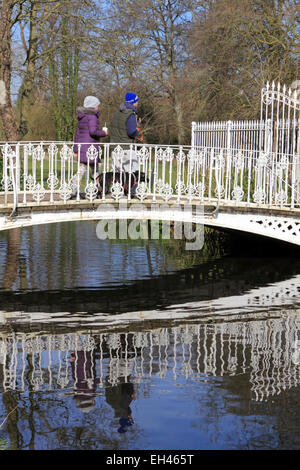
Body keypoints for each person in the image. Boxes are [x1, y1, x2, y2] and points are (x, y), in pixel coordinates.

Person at [71, 96, 108, 199]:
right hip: (90, 148)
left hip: (82, 147)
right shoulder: (92, 117)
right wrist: (104, 133)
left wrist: (75, 149)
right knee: (95, 169)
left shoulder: (82, 117)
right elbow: (93, 132)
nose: (98, 107)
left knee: (82, 169)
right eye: (97, 105)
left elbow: (77, 134)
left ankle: (74, 190)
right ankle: (97, 190)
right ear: (93, 106)